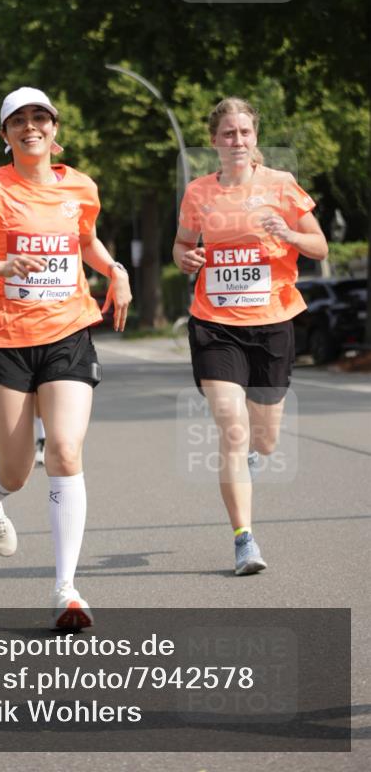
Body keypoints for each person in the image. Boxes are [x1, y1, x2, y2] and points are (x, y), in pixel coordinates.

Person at [0, 86, 131, 629]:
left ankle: (66, 589)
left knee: (66, 450)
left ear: (54, 128)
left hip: (68, 331)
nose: (31, 127)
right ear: (6, 135)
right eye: (18, 120)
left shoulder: (80, 187)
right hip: (2, 341)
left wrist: (114, 269)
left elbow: (84, 240)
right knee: (19, 471)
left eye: (40, 118)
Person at [173, 97, 328, 576]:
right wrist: (187, 258)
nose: (236, 140)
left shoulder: (281, 186)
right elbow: (181, 245)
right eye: (227, 133)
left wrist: (289, 233)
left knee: (265, 439)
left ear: (254, 137)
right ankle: (244, 539)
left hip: (272, 321)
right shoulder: (199, 192)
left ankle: (255, 459)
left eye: (244, 132)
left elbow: (318, 245)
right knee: (232, 428)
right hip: (215, 324)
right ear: (214, 140)